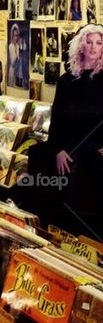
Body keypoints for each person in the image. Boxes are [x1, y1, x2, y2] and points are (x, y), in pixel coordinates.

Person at [48, 24, 103, 230]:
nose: (93, 47)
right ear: (81, 45)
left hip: (97, 154)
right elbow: (57, 120)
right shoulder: (66, 81)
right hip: (70, 153)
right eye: (89, 42)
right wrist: (58, 150)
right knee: (69, 207)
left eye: (99, 43)